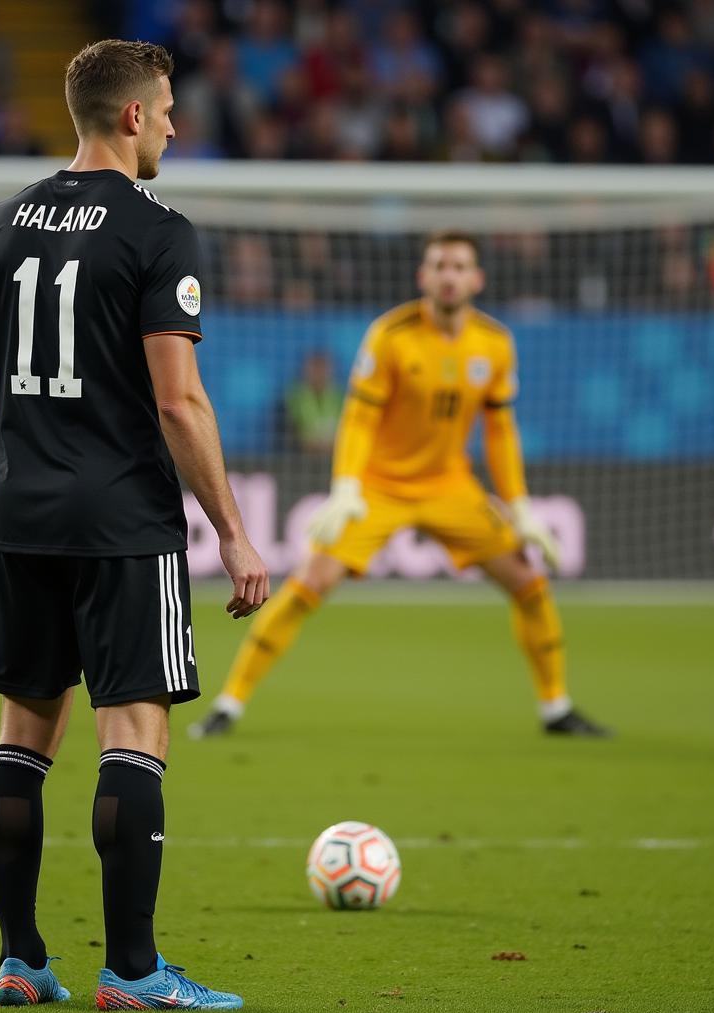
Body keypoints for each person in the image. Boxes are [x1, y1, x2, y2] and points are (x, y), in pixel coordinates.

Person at [0, 39, 268, 1011]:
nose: (174, 123)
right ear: (131, 116)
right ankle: (131, 970)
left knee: (22, 736)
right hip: (123, 518)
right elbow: (179, 404)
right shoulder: (158, 231)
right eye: (166, 108)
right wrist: (234, 531)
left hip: (23, 516)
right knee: (133, 736)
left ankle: (19, 957)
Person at [190, 231, 610, 741]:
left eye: (459, 266)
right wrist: (346, 488)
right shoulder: (392, 335)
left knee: (528, 583)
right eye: (439, 265)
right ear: (423, 277)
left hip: (450, 487)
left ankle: (556, 708)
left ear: (476, 279)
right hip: (380, 489)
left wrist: (519, 507)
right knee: (308, 585)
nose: (449, 275)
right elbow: (359, 420)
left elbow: (499, 431)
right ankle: (229, 704)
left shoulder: (495, 344)